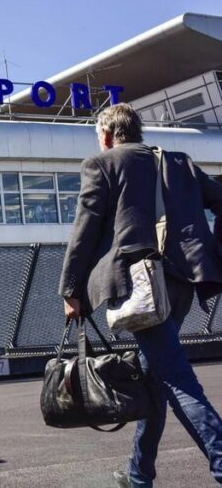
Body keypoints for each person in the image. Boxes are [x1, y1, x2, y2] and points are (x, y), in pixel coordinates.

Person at [59, 103, 222, 487]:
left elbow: (85, 230)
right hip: (183, 282)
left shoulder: (103, 164)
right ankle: (138, 475)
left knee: (177, 379)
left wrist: (70, 289)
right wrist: (213, 251)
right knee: (156, 378)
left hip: (140, 287)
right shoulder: (179, 162)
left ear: (106, 134)